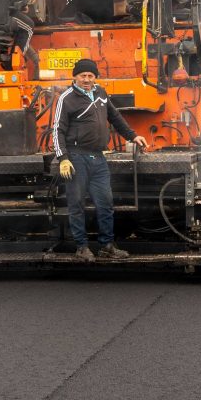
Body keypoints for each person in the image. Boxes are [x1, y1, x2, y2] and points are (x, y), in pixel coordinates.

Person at [52, 58, 148, 261]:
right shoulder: (66, 98)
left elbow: (115, 118)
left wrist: (133, 136)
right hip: (76, 158)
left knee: (105, 203)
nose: (87, 79)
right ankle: (81, 247)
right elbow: (57, 131)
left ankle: (107, 246)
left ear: (95, 77)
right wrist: (63, 158)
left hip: (98, 158)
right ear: (75, 77)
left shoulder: (101, 94)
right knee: (76, 203)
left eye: (90, 76)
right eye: (83, 76)